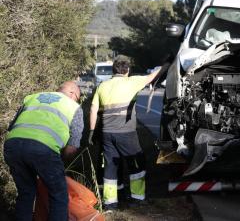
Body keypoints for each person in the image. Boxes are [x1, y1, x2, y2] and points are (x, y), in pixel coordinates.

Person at [89, 57, 170, 210]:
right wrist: (167, 63)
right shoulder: (131, 81)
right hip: (125, 132)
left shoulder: (103, 85)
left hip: (106, 132)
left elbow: (93, 109)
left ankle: (110, 204)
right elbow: (153, 76)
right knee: (137, 162)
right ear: (127, 70)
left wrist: (92, 131)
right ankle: (137, 198)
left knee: (110, 166)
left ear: (113, 70)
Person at [4, 81, 84, 221]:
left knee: (26, 192)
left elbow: (12, 126)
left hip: (13, 146)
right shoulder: (74, 107)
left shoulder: (32, 97)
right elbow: (72, 147)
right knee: (58, 194)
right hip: (43, 150)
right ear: (73, 94)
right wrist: (60, 165)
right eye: (78, 97)